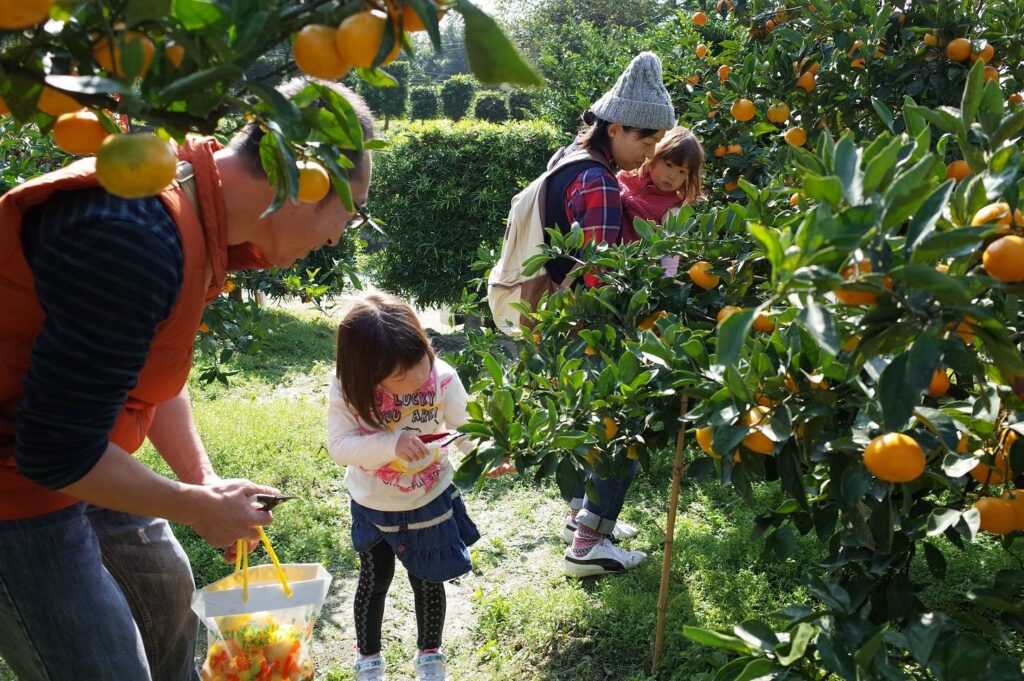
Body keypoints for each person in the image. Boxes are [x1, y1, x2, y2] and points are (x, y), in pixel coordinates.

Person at [0, 78, 374, 680]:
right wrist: (193, 507)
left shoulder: (198, 211)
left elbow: (153, 370)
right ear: (306, 181)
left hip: (79, 451)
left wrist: (203, 483)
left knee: (165, 592)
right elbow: (52, 450)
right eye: (346, 217)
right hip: (18, 487)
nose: (335, 238)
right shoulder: (133, 236)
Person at [540, 52, 676, 577]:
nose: (646, 159)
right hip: (591, 322)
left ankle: (580, 517)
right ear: (616, 127)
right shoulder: (598, 180)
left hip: (552, 319)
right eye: (645, 143)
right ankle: (588, 545)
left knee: (573, 420)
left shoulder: (565, 156)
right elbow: (602, 274)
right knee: (625, 427)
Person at [327, 294, 480, 681]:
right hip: (373, 503)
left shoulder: (442, 376)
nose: (416, 378)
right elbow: (340, 446)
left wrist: (487, 455)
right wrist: (389, 443)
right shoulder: (348, 389)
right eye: (400, 376)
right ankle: (369, 657)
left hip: (428, 498)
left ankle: (430, 654)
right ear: (366, 371)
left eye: (419, 360)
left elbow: (464, 427)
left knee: (428, 578)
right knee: (374, 579)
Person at [617, 125, 705, 275]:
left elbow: (672, 244)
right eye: (669, 165)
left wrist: (668, 275)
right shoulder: (628, 175)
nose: (673, 176)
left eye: (682, 171)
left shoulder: (671, 209)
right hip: (603, 245)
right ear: (654, 158)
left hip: (632, 264)